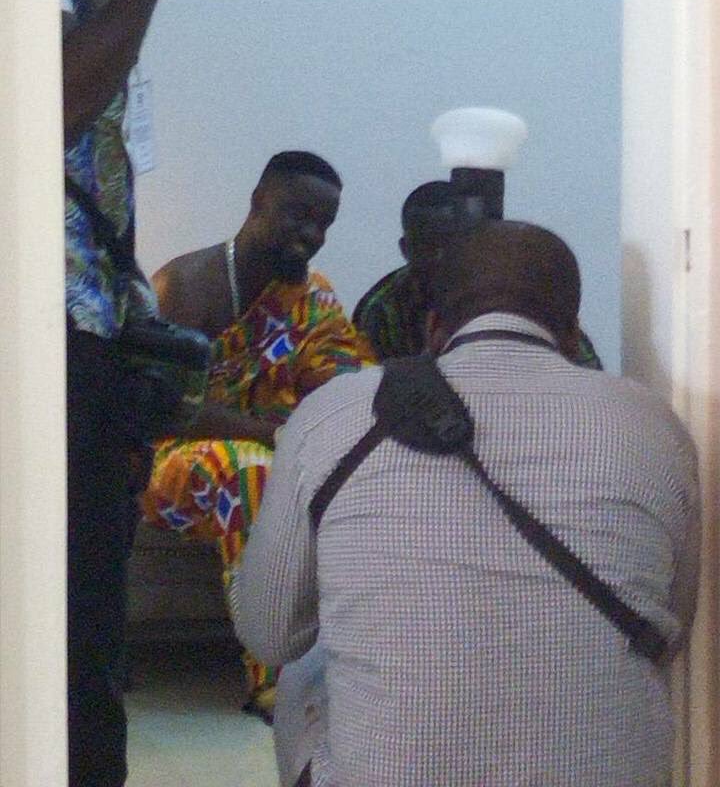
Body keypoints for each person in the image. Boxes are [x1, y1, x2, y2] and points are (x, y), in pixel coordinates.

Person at [231, 220, 700, 787]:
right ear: (573, 336)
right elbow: (671, 629)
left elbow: (269, 634)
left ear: (433, 328)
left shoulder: (335, 415)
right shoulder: (656, 426)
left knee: (306, 664)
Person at [141, 150, 375, 719]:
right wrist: (270, 435)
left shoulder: (311, 298)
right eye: (298, 215)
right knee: (251, 469)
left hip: (280, 449)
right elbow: (165, 406)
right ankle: (271, 678)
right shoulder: (183, 286)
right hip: (172, 465)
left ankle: (368, 658)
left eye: (323, 224)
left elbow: (345, 380)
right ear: (257, 203)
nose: (310, 235)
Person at [60, 0, 185, 783]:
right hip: (47, 328)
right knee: (71, 629)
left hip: (86, 318)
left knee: (91, 624)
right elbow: (53, 101)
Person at [354, 179, 604, 368]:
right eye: (427, 246)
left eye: (452, 244)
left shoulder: (517, 290)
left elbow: (587, 373)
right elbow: (363, 389)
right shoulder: (381, 308)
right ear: (406, 249)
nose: (441, 258)